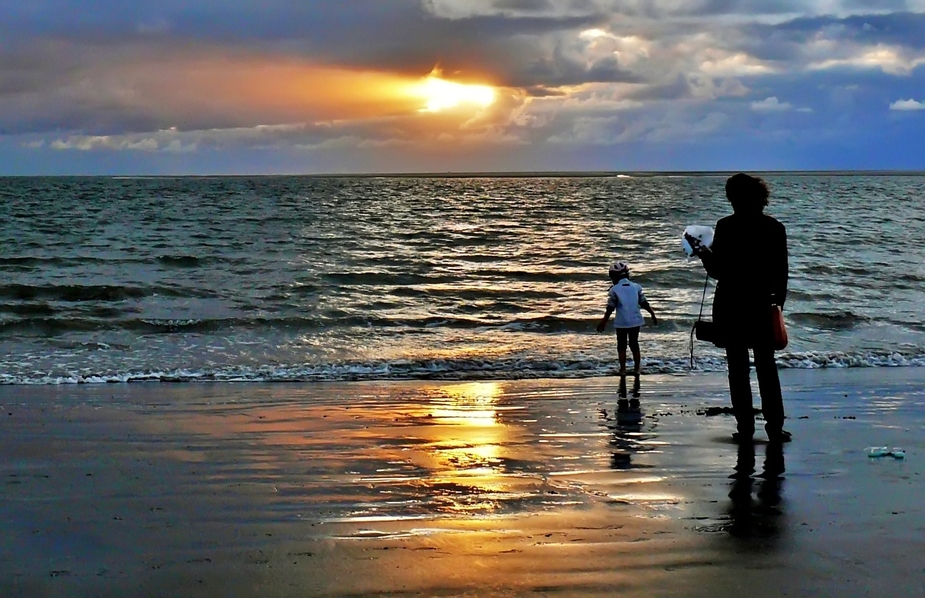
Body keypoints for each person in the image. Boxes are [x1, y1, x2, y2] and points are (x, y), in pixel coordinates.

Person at [687, 173, 791, 443]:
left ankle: (745, 427)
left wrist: (702, 252)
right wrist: (777, 306)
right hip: (761, 305)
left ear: (734, 198)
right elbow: (782, 274)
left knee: (738, 369)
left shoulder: (727, 226)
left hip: (731, 305)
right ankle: (775, 427)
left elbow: (719, 271)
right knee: (766, 368)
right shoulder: (775, 228)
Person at [596, 261, 657, 376]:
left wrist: (603, 322)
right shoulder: (636, 287)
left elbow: (610, 308)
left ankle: (623, 369)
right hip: (635, 320)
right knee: (634, 344)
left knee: (621, 345)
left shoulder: (614, 290)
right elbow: (644, 303)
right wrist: (652, 314)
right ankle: (637, 369)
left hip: (622, 322)